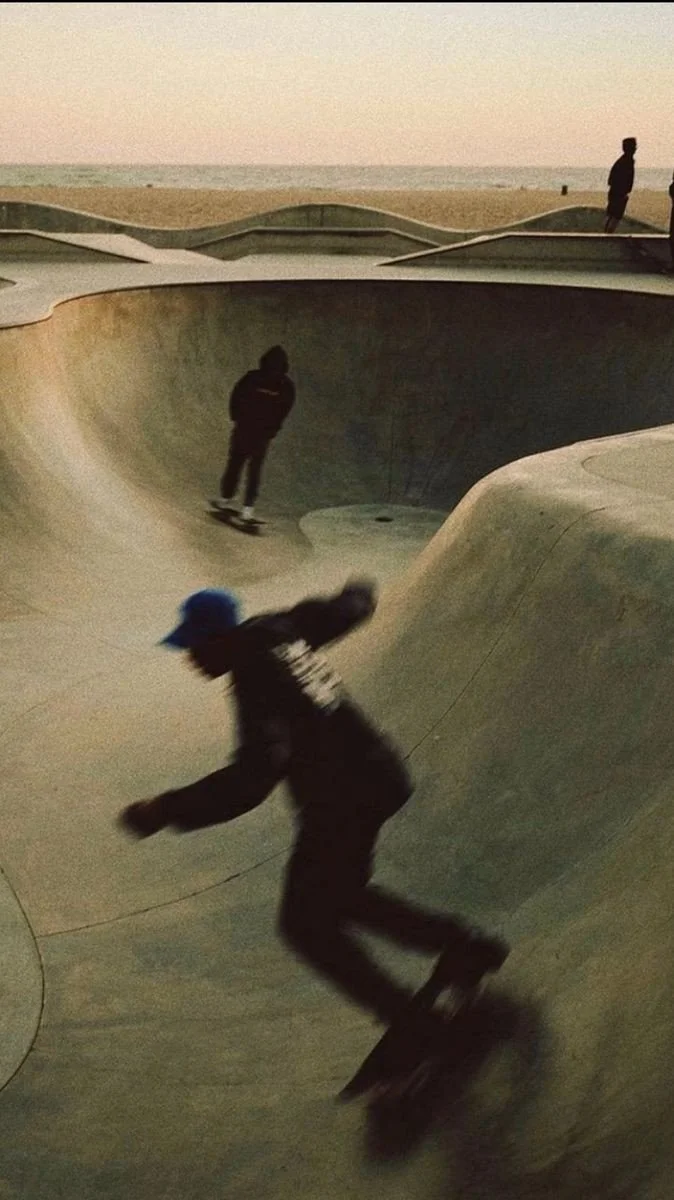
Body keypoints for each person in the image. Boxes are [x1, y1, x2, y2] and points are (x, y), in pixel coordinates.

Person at [120, 581, 509, 1033]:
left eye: (195, 647)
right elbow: (342, 611)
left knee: (305, 924)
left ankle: (412, 1017)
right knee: (339, 897)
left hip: (343, 796)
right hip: (373, 773)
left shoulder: (255, 676)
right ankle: (463, 947)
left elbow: (253, 777)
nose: (190, 659)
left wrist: (165, 809)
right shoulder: (276, 629)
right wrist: (359, 593)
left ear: (219, 638)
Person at [211, 345, 295, 523]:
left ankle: (229, 499)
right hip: (254, 431)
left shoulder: (257, 378)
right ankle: (245, 507)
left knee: (238, 465)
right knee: (248, 468)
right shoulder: (282, 384)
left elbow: (236, 396)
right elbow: (283, 409)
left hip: (250, 429)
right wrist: (272, 429)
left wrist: (237, 417)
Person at [604, 137, 637, 233]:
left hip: (619, 193)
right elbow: (612, 180)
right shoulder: (624, 162)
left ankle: (608, 233)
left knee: (613, 216)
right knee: (614, 217)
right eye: (634, 146)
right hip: (618, 193)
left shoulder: (626, 161)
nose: (635, 148)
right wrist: (621, 192)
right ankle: (608, 235)